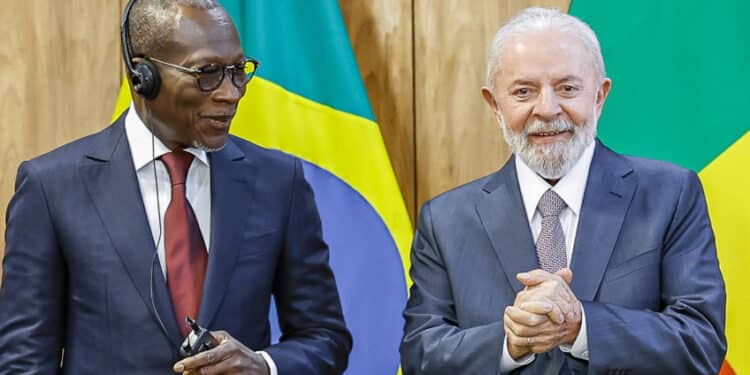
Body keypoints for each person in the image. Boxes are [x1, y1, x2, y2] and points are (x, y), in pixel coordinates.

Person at [0, 0, 351, 374]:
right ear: (143, 76)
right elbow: (24, 360)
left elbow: (325, 336)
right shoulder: (52, 187)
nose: (231, 93)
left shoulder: (279, 181)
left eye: (238, 71)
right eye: (208, 73)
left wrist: (264, 365)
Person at [400, 7, 726, 374]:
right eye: (524, 92)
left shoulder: (671, 195)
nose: (548, 108)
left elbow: (701, 342)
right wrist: (509, 343)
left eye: (567, 88)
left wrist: (581, 326)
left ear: (600, 97)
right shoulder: (445, 220)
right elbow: (420, 357)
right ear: (494, 106)